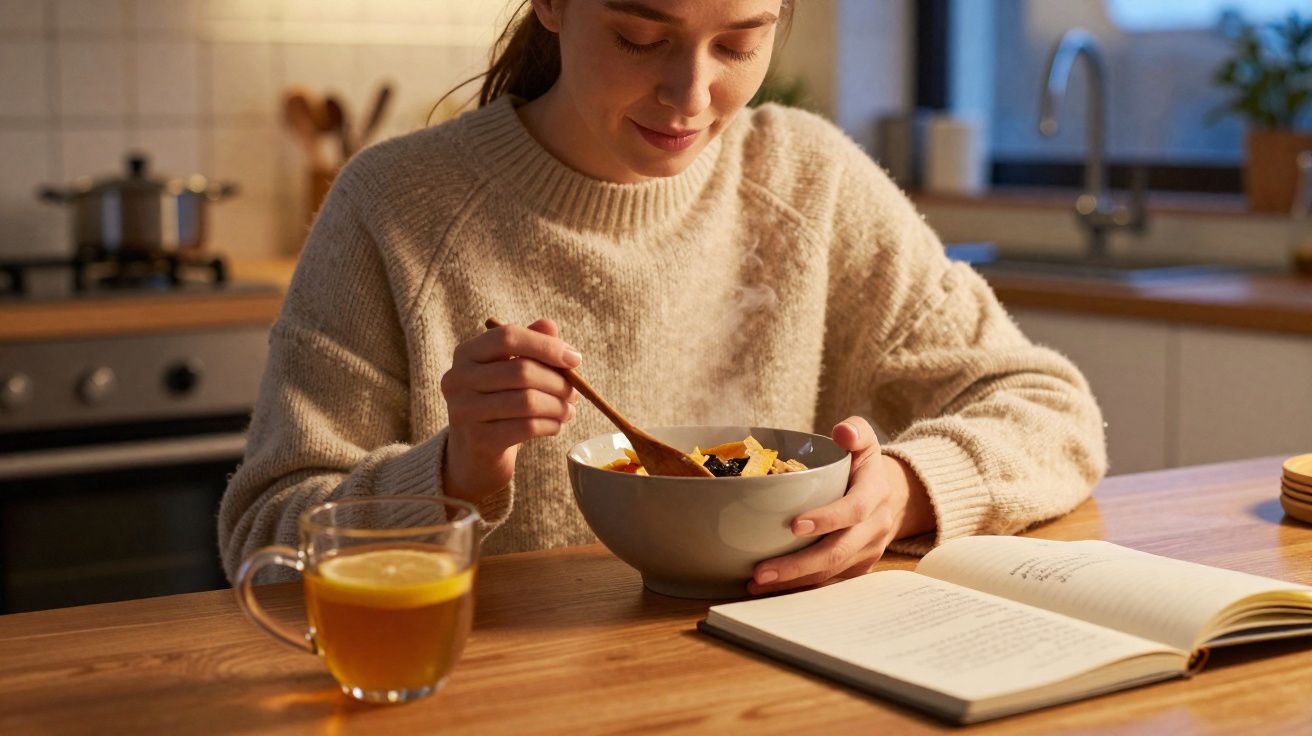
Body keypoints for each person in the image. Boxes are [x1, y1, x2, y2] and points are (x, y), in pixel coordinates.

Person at [218, 0, 1107, 596]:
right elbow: (266, 543)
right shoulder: (395, 207)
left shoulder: (811, 181)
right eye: (642, 38)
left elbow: (1049, 408)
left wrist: (909, 488)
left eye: (738, 43)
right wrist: (454, 474)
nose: (690, 96)